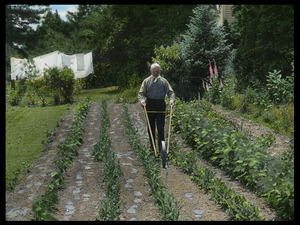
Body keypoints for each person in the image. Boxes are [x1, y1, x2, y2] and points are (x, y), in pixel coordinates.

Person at [138, 62, 175, 153]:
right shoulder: (146, 81)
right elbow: (141, 94)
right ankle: (152, 148)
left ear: (159, 71)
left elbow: (171, 92)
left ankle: (161, 148)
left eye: (158, 71)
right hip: (150, 105)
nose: (156, 73)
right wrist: (142, 101)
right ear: (151, 71)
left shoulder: (164, 81)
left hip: (160, 105)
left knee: (161, 128)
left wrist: (171, 101)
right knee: (151, 128)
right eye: (154, 71)